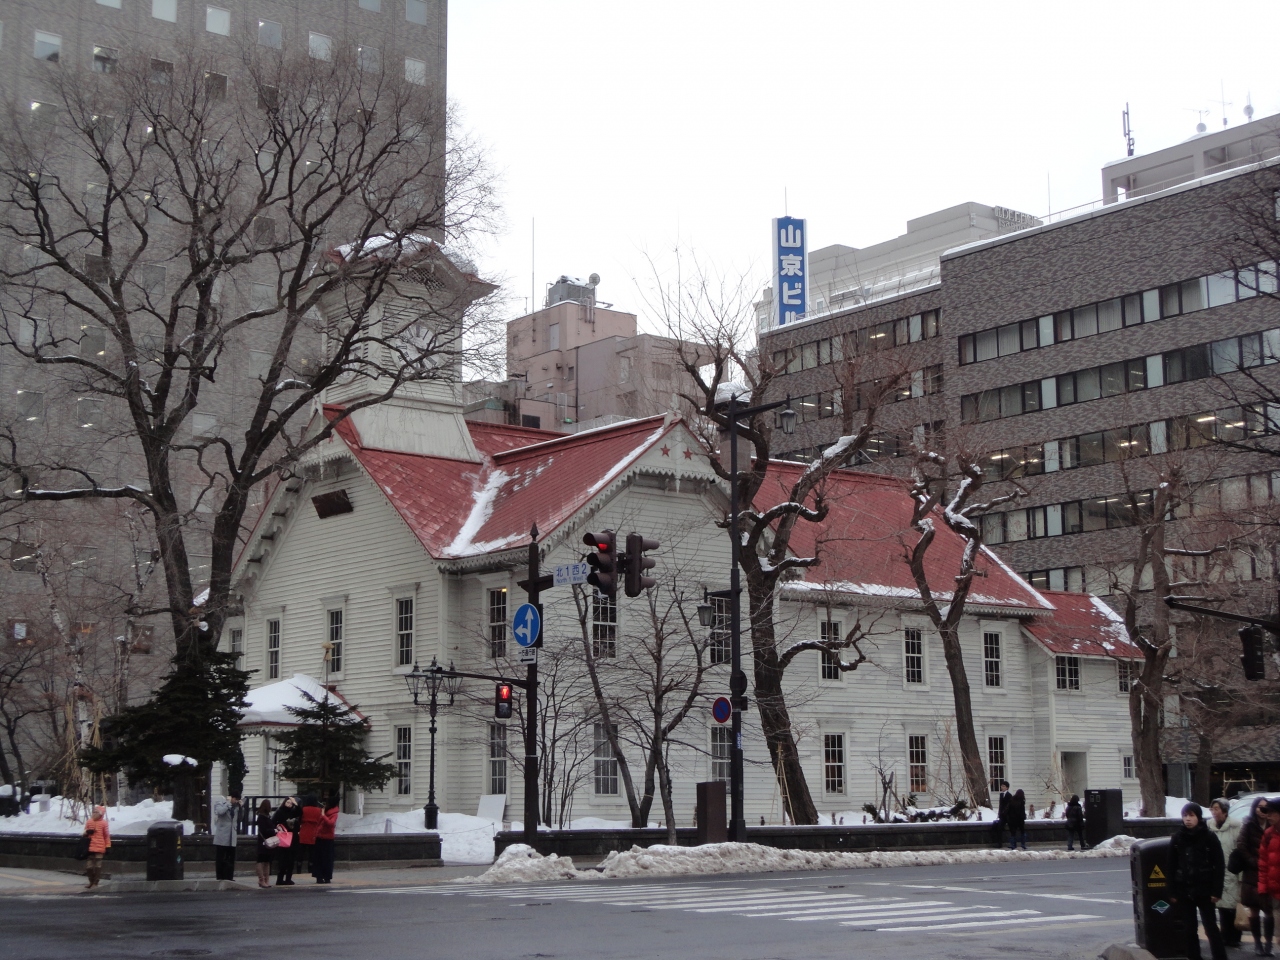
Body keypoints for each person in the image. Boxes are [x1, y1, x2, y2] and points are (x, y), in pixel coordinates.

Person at [1171, 801, 1227, 960]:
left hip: (1205, 889)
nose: (1187, 819)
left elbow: (1219, 865)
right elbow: (1171, 865)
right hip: (1185, 890)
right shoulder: (1177, 838)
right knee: (1189, 928)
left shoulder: (1209, 837)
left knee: (1211, 927)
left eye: (1191, 815)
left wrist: (1217, 891)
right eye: (1185, 816)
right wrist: (1172, 891)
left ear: (1199, 817)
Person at [1240, 797, 1274, 955]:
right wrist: (1252, 860)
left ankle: (1269, 944)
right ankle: (1257, 943)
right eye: (1260, 807)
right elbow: (1241, 845)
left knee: (1268, 910)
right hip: (1251, 874)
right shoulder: (1248, 825)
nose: (1263, 810)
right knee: (1254, 909)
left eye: (1266, 807)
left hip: (1268, 872)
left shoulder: (1273, 826)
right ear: (1254, 808)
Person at [1208, 799, 1243, 949]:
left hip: (1232, 870)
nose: (1214, 812)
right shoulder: (1209, 827)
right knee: (1221, 904)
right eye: (1212, 809)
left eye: (1217, 809)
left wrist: (1241, 874)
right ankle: (1224, 935)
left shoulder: (1236, 827)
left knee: (1233, 905)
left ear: (1225, 811)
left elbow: (1240, 850)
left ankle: (1235, 936)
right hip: (1216, 871)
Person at [1257, 799, 1280, 957]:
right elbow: (1263, 863)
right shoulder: (1268, 834)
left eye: (1272, 813)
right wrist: (1263, 887)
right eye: (1267, 813)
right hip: (1275, 892)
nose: (1268, 816)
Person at [211, 792, 241, 881]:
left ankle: (229, 876)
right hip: (222, 835)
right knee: (220, 857)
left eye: (237, 799)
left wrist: (241, 808)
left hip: (232, 835)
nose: (236, 801)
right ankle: (220, 876)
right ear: (231, 797)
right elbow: (219, 812)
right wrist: (228, 804)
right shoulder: (221, 803)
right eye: (235, 799)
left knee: (230, 858)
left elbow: (240, 818)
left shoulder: (236, 807)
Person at [272, 796, 300, 886]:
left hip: (293, 838)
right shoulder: (280, 811)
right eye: (287, 802)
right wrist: (277, 827)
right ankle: (280, 879)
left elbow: (300, 812)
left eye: (291, 803)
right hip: (284, 838)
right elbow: (273, 822)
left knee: (291, 860)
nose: (289, 804)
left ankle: (288, 879)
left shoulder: (294, 812)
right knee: (282, 860)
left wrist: (296, 803)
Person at [312, 793, 340, 884]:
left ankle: (326, 877)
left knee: (327, 859)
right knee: (318, 858)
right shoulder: (326, 810)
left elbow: (330, 823)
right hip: (320, 837)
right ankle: (319, 876)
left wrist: (323, 815)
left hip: (327, 838)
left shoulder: (334, 814)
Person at [82, 805, 111, 890]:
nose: (94, 813)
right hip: (90, 847)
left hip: (100, 847)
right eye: (93, 812)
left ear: (101, 814)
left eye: (96, 812)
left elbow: (106, 836)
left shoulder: (104, 823)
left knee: (98, 866)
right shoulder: (89, 821)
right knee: (89, 867)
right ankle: (91, 881)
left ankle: (95, 882)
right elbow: (84, 833)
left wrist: (108, 846)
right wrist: (87, 832)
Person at [297, 794, 321, 877]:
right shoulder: (318, 810)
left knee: (301, 853)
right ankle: (310, 869)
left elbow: (299, 820)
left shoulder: (303, 809)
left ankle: (299, 868)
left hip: (304, 832)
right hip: (314, 833)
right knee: (312, 853)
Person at [254, 799, 274, 889]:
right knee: (262, 860)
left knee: (266, 860)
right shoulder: (263, 817)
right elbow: (265, 830)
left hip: (265, 841)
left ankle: (265, 880)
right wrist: (273, 830)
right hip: (264, 840)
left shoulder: (264, 816)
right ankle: (262, 879)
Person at [994, 779, 1012, 847]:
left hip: (1007, 816)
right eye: (1001, 786)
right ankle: (999, 843)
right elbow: (1000, 805)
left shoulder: (1009, 795)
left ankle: (1011, 843)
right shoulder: (1001, 795)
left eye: (1003, 786)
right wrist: (999, 813)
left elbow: (1009, 806)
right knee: (999, 828)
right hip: (1002, 815)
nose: (1002, 787)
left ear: (1007, 787)